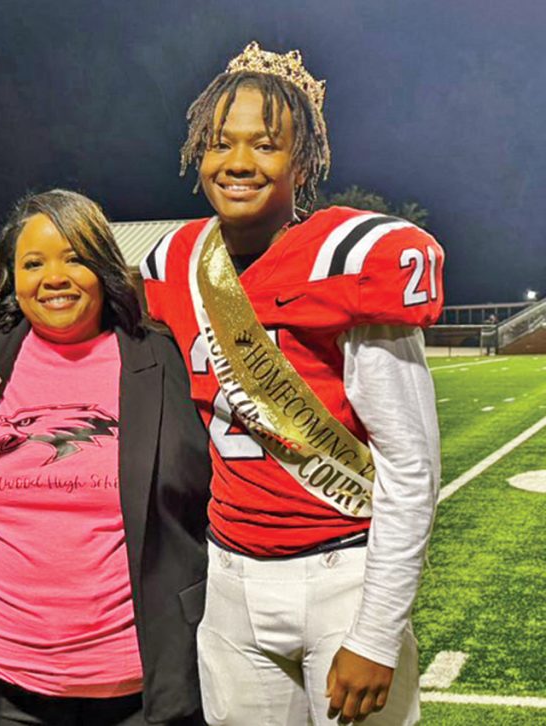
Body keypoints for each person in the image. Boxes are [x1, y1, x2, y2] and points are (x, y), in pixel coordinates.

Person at [140, 43, 444, 725]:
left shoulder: (353, 261)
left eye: (265, 144)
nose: (238, 161)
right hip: (230, 578)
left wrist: (376, 633)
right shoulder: (177, 263)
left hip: (341, 577)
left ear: (301, 162)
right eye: (220, 142)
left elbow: (411, 464)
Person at [0, 189, 212, 726]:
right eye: (33, 263)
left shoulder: (164, 357)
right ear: (12, 278)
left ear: (103, 267)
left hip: (141, 686)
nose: (54, 278)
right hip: (9, 686)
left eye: (74, 258)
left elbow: (205, 491)